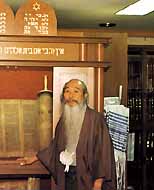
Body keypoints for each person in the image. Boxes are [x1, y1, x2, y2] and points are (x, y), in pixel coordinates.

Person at [19, 79, 116, 190]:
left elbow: (103, 152)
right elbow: (55, 146)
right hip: (67, 176)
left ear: (84, 96)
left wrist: (98, 183)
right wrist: (36, 157)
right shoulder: (64, 120)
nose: (71, 96)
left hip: (88, 179)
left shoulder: (95, 119)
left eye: (76, 91)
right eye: (67, 91)